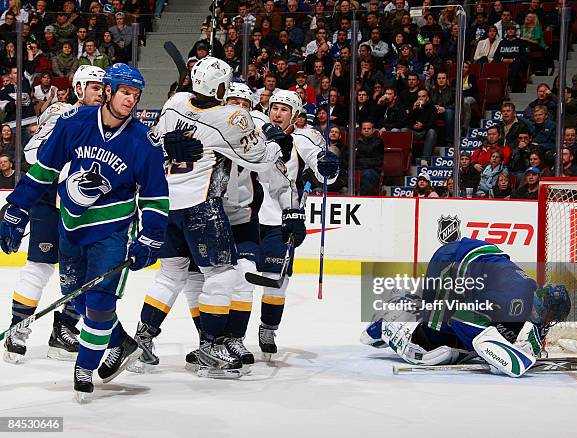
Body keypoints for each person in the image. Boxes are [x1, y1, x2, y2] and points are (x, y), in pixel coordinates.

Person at [0, 63, 169, 402]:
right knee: (76, 296)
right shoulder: (73, 124)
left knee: (100, 303)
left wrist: (150, 237)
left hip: (113, 229)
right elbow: (44, 170)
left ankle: (84, 367)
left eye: (135, 96)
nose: (130, 101)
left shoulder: (142, 141)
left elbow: (154, 196)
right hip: (71, 226)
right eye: (124, 92)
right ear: (107, 90)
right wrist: (17, 208)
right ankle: (119, 347)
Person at [132, 59, 301, 379]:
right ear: (224, 94)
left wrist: (292, 210)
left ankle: (220, 339)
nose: (238, 106)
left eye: (244, 103)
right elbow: (261, 156)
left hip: (208, 211)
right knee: (208, 279)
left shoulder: (178, 103)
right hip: (206, 214)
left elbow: (279, 179)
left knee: (231, 278)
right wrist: (277, 145)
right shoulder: (233, 122)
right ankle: (210, 343)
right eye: (233, 99)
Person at [3, 66, 107, 366]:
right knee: (40, 265)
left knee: (83, 271)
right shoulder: (62, 112)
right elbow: (33, 150)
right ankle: (17, 328)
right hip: (49, 201)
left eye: (103, 88)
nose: (101, 93)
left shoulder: (107, 124)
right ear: (78, 89)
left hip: (84, 207)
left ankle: (64, 329)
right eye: (94, 87)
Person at [362, 238, 570, 377]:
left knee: (459, 331)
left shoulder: (527, 296)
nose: (548, 323)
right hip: (451, 260)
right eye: (551, 316)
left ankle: (407, 302)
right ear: (544, 308)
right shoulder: (513, 298)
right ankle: (389, 320)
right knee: (432, 339)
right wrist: (484, 342)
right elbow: (461, 316)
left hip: (473, 265)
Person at [256, 89, 338, 360]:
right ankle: (232, 337)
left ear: (295, 116)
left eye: (284, 110)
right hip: (246, 215)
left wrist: (329, 166)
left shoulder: (303, 140)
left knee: (277, 282)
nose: (277, 114)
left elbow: (325, 172)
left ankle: (268, 328)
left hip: (281, 217)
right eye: (274, 108)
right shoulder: (255, 132)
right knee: (236, 282)